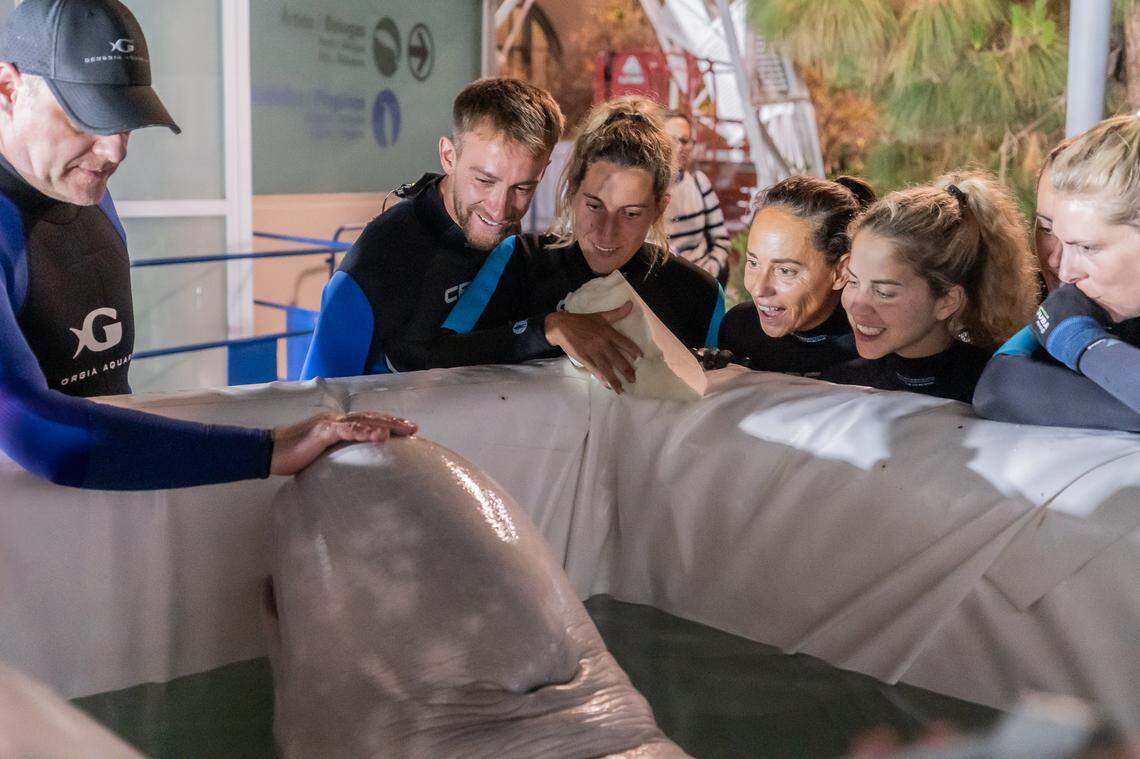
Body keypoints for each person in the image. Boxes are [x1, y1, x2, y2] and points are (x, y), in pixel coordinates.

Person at [0, 0, 415, 490]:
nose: (115, 150)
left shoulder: (76, 181)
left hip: (96, 521)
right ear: (8, 88)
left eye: (125, 120)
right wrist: (271, 448)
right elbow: (33, 427)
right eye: (87, 118)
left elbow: (102, 398)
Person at [300, 77, 570, 378]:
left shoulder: (504, 227)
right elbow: (317, 399)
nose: (500, 209)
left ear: (543, 172)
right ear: (448, 156)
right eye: (484, 180)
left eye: (522, 188)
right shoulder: (379, 258)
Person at [523, 96, 725, 393]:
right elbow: (437, 359)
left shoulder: (697, 294)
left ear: (659, 208)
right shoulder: (521, 263)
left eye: (630, 214)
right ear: (572, 192)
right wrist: (547, 328)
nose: (607, 233)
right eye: (594, 206)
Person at [974, 116, 1140, 431]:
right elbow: (999, 387)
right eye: (1050, 232)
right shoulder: (1087, 308)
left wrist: (1082, 344)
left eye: (1088, 248)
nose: (1065, 269)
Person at [820, 171, 1038, 403]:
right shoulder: (839, 384)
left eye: (883, 292)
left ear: (947, 301)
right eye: (852, 282)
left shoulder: (998, 391)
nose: (856, 306)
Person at [718, 175, 874, 376]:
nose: (758, 288)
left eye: (785, 271)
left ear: (841, 272)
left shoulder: (873, 347)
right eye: (754, 263)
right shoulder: (739, 329)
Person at [662, 111, 732, 286]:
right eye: (671, 139)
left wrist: (712, 268)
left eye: (685, 141)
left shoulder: (698, 182)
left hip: (704, 278)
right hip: (666, 280)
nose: (679, 147)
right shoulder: (646, 188)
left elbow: (721, 238)